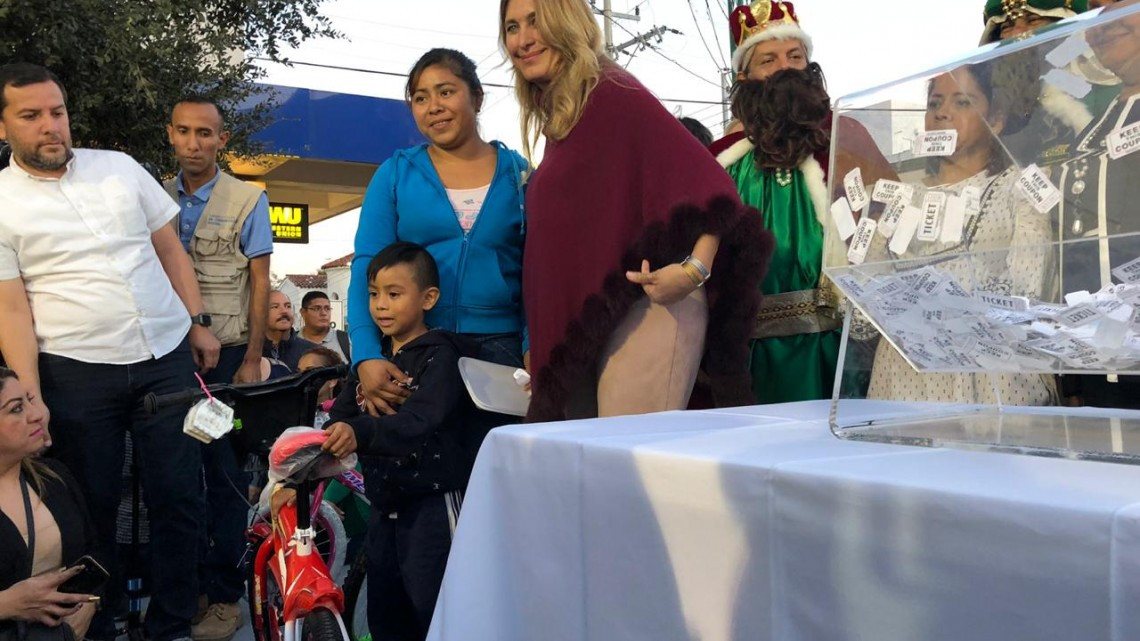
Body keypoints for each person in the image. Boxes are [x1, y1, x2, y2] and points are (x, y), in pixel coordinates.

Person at [0, 63, 212, 641]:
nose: (51, 126)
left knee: (178, 495)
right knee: (89, 505)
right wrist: (30, 395)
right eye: (32, 115)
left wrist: (196, 322)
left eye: (58, 111)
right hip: (73, 372)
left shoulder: (118, 168)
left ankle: (172, 623)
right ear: (3, 126)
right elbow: (12, 308)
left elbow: (169, 248)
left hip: (165, 355)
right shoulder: (0, 202)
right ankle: (105, 618)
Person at [500, 0, 771, 421]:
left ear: (567, 21)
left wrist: (693, 271)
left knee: (628, 469)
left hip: (648, 307)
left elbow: (712, 188)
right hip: (595, 324)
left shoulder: (611, 92)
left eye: (536, 21)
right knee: (590, 471)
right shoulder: (564, 116)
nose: (522, 39)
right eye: (512, 27)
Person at [711, 1, 894, 404]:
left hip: (838, 348)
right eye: (768, 59)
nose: (786, 68)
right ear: (745, 75)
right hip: (749, 358)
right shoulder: (723, 160)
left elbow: (892, 224)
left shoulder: (847, 139)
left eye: (796, 56)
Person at [311, 243, 492, 641]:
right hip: (383, 504)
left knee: (438, 611)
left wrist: (358, 434)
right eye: (374, 293)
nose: (381, 305)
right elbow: (340, 418)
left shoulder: (441, 357)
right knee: (386, 614)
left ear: (428, 298)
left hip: (433, 505)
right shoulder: (370, 365)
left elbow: (417, 423)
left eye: (395, 294)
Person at [350, 48, 529, 418]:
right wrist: (366, 353)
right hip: (415, 346)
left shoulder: (520, 175)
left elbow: (539, 273)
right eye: (420, 98)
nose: (433, 106)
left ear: (477, 97)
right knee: (418, 470)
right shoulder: (395, 173)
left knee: (496, 466)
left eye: (446, 92)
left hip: (501, 351)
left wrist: (533, 346)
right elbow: (366, 266)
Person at [866, 62, 1056, 405]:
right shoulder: (902, 196)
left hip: (989, 376)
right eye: (935, 103)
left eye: (962, 102)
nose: (942, 114)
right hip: (903, 375)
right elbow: (868, 297)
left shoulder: (1018, 188)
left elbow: (1028, 292)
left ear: (995, 119)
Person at [164, 95, 272, 641]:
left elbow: (260, 281)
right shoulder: (156, 196)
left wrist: (253, 357)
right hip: (167, 361)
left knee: (225, 478)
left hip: (228, 360)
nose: (194, 143)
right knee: (178, 482)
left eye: (205, 133)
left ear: (222, 140)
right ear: (171, 134)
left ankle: (227, 598)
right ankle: (191, 591)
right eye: (184, 131)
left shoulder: (249, 197)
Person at [1057, 0, 1140, 407]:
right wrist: (1071, 375)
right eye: (1094, 11)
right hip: (1099, 365)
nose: (1102, 21)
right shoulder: (1095, 126)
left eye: (1119, 4)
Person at [0, 369, 98, 641]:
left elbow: (93, 554)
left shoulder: (53, 476)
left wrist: (91, 602)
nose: (36, 414)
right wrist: (7, 604)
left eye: (30, 400)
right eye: (16, 408)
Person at [265, 290, 317, 372]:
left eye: (288, 306)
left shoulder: (313, 352)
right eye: (275, 307)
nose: (284, 311)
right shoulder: (246, 354)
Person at [299, 291, 351, 364]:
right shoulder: (291, 342)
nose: (323, 313)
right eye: (317, 308)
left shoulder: (346, 341)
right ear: (303, 312)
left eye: (327, 308)